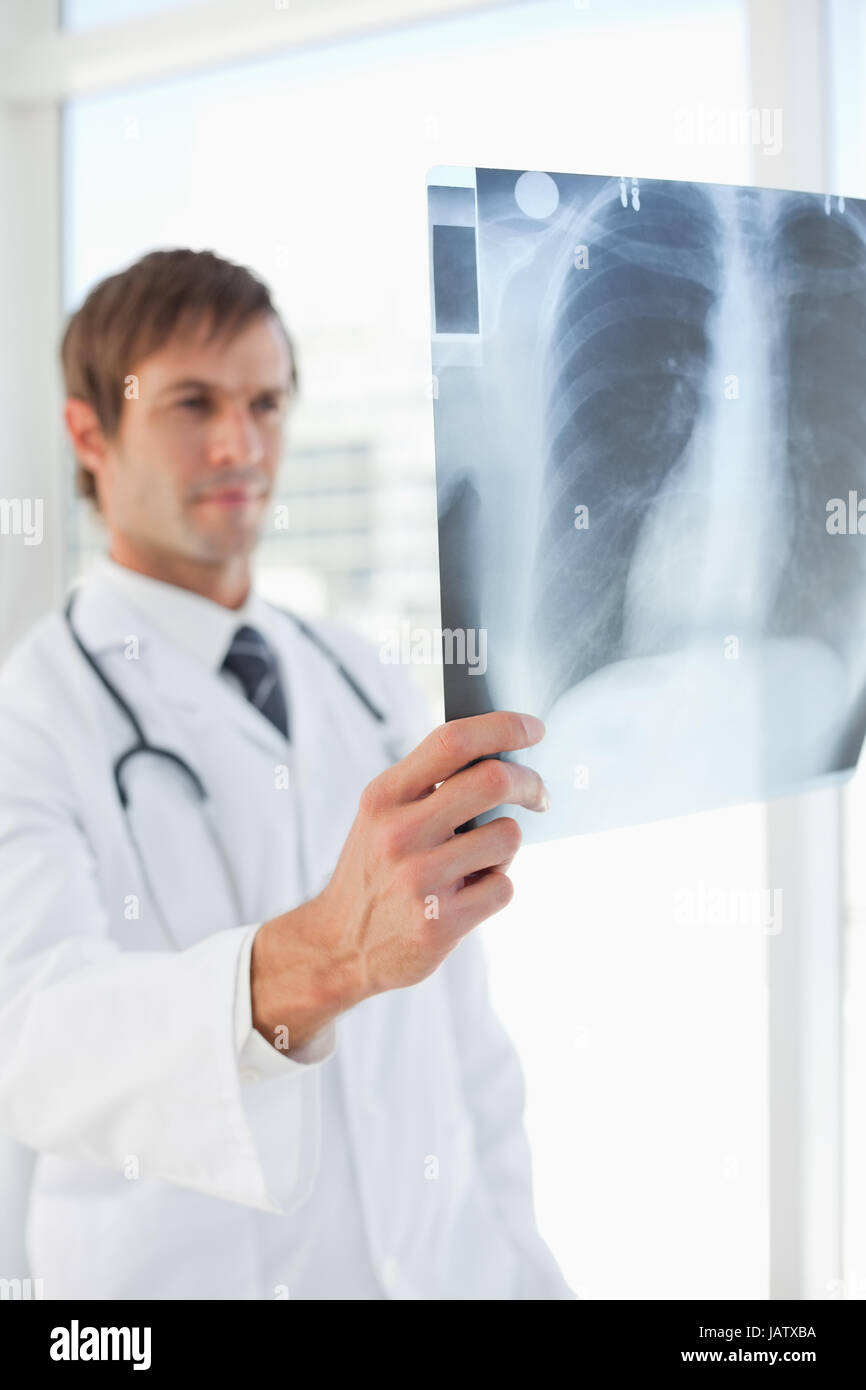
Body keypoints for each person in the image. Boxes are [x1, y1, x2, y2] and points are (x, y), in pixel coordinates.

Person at [0, 248, 574, 1300]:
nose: (240, 442)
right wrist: (324, 961)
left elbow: (469, 1055)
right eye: (192, 403)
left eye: (265, 401)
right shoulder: (29, 720)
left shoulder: (361, 678)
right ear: (89, 431)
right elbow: (32, 1038)